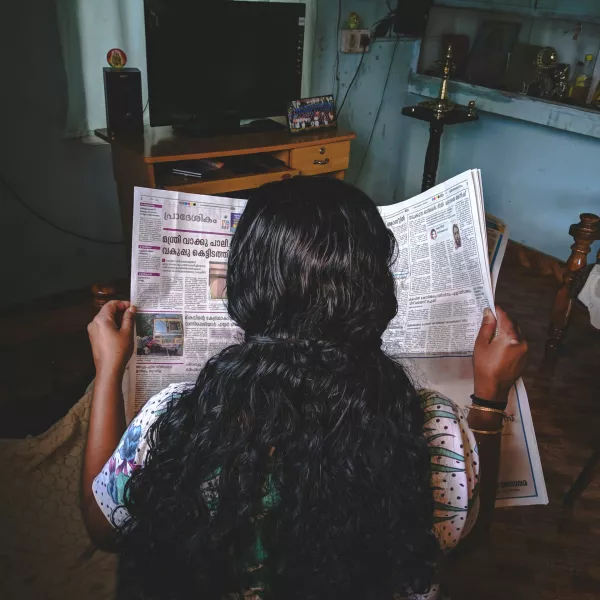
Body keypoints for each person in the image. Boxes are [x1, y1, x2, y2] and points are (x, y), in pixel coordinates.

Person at [82, 177, 527, 600]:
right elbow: (464, 532)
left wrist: (108, 371)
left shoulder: (175, 420)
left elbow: (103, 529)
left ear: (242, 288)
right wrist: (489, 397)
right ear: (377, 295)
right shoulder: (435, 429)